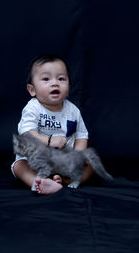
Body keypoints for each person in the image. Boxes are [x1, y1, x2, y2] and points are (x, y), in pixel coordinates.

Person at [11, 54, 94, 194]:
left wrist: (78, 155)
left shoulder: (73, 111)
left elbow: (81, 135)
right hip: (35, 160)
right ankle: (38, 183)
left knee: (90, 165)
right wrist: (48, 141)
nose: (55, 83)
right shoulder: (33, 108)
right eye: (46, 79)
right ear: (32, 90)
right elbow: (26, 133)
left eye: (61, 79)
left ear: (68, 87)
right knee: (19, 166)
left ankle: (65, 181)